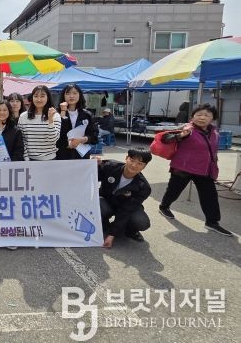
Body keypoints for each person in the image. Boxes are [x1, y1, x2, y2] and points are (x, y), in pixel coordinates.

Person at [158, 104, 233, 236]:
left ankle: (212, 222)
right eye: (199, 114)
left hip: (204, 170)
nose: (202, 118)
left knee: (210, 196)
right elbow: (165, 138)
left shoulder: (214, 132)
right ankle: (164, 207)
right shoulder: (187, 128)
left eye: (206, 115)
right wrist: (180, 135)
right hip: (183, 168)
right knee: (174, 190)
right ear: (193, 116)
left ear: (213, 118)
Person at [98, 148, 153, 248]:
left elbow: (126, 210)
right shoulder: (110, 166)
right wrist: (94, 164)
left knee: (142, 222)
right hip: (106, 200)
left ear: (144, 166)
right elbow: (90, 176)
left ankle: (128, 231)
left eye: (140, 163)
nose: (134, 165)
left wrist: (112, 235)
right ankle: (104, 224)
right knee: (99, 204)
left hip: (126, 206)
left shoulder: (144, 187)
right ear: (126, 158)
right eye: (132, 160)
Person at [17, 85, 61, 160]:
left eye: (42, 96)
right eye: (36, 96)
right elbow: (21, 140)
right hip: (29, 159)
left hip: (50, 160)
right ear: (32, 98)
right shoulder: (23, 116)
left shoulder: (55, 115)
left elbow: (53, 140)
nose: (39, 99)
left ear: (48, 98)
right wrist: (26, 159)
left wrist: (50, 120)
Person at [56, 84, 99, 160]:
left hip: (82, 154)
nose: (71, 96)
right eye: (68, 93)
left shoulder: (87, 114)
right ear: (63, 96)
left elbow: (94, 136)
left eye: (75, 93)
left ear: (80, 95)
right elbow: (55, 133)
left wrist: (83, 139)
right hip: (62, 154)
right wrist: (63, 111)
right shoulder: (56, 113)